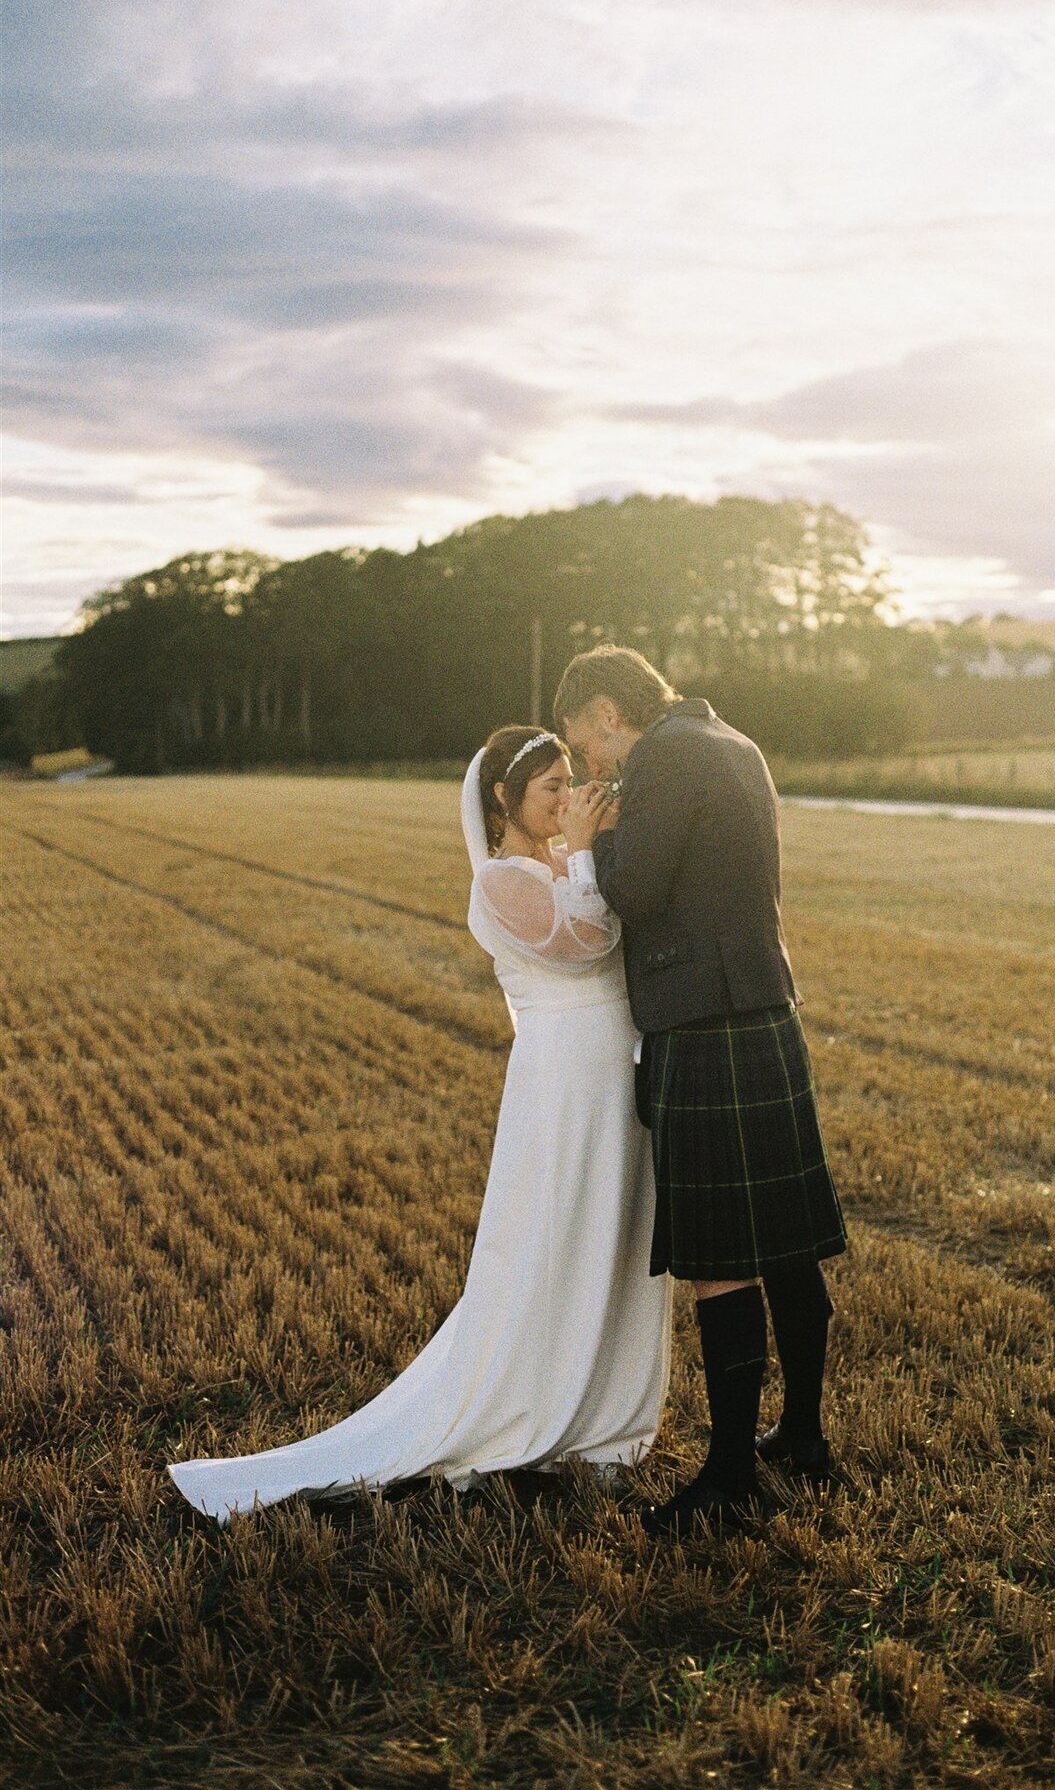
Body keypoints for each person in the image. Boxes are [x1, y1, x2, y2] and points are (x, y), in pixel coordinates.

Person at [168, 726, 672, 1526]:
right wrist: (585, 851)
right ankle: (528, 1409)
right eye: (550, 785)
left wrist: (587, 852)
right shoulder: (501, 883)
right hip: (565, 1081)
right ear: (507, 801)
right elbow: (586, 944)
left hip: (618, 1070)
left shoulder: (563, 861)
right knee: (555, 1233)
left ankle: (603, 1418)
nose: (566, 795)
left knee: (618, 1234)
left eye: (569, 780)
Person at [555, 645, 848, 1539]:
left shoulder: (664, 758)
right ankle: (802, 1436)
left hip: (704, 1021)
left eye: (584, 744)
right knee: (787, 1242)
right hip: (762, 1009)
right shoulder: (731, 740)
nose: (588, 766)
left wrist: (586, 841)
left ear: (607, 713)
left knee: (723, 1256)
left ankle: (728, 1476)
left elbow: (638, 890)